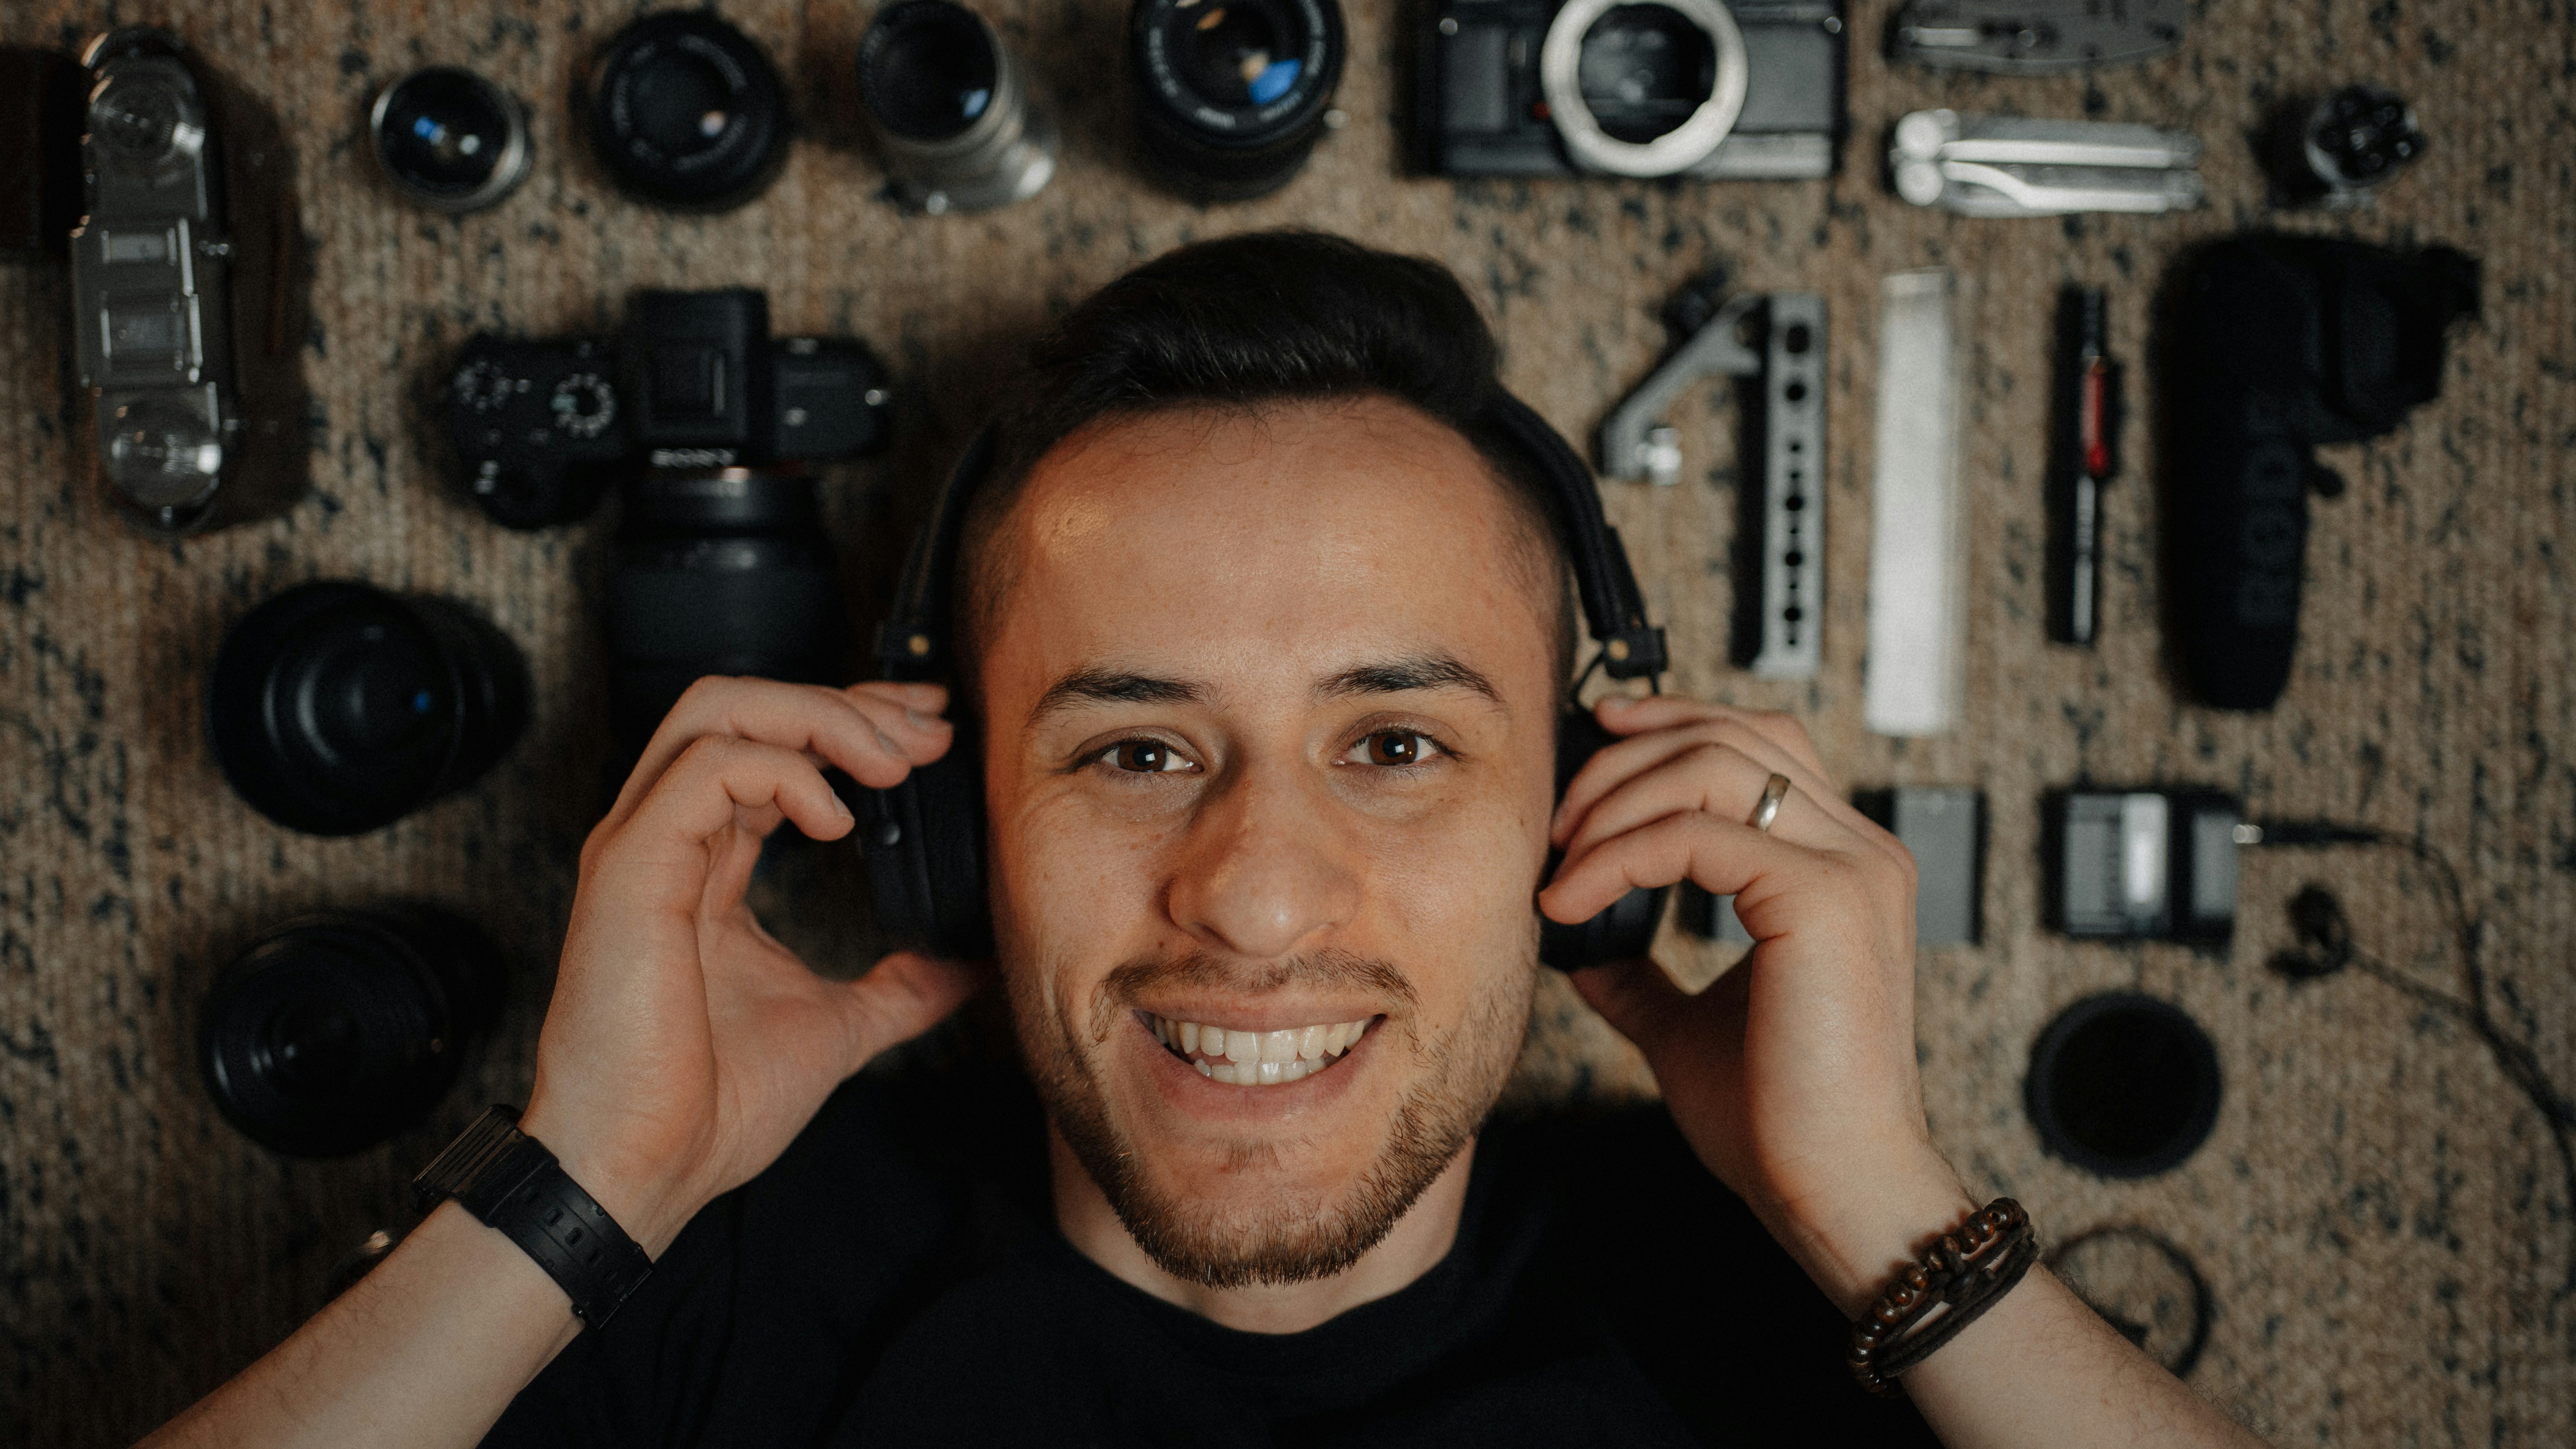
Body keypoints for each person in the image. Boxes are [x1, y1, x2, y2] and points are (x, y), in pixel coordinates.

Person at [138, 233, 2264, 1448]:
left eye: (1397, 742)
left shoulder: (1801, 1310)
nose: (1251, 892)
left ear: (1591, 812)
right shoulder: (711, 1286)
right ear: (946, 823)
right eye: (1139, 748)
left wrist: (1886, 1204)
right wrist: (587, 1181)